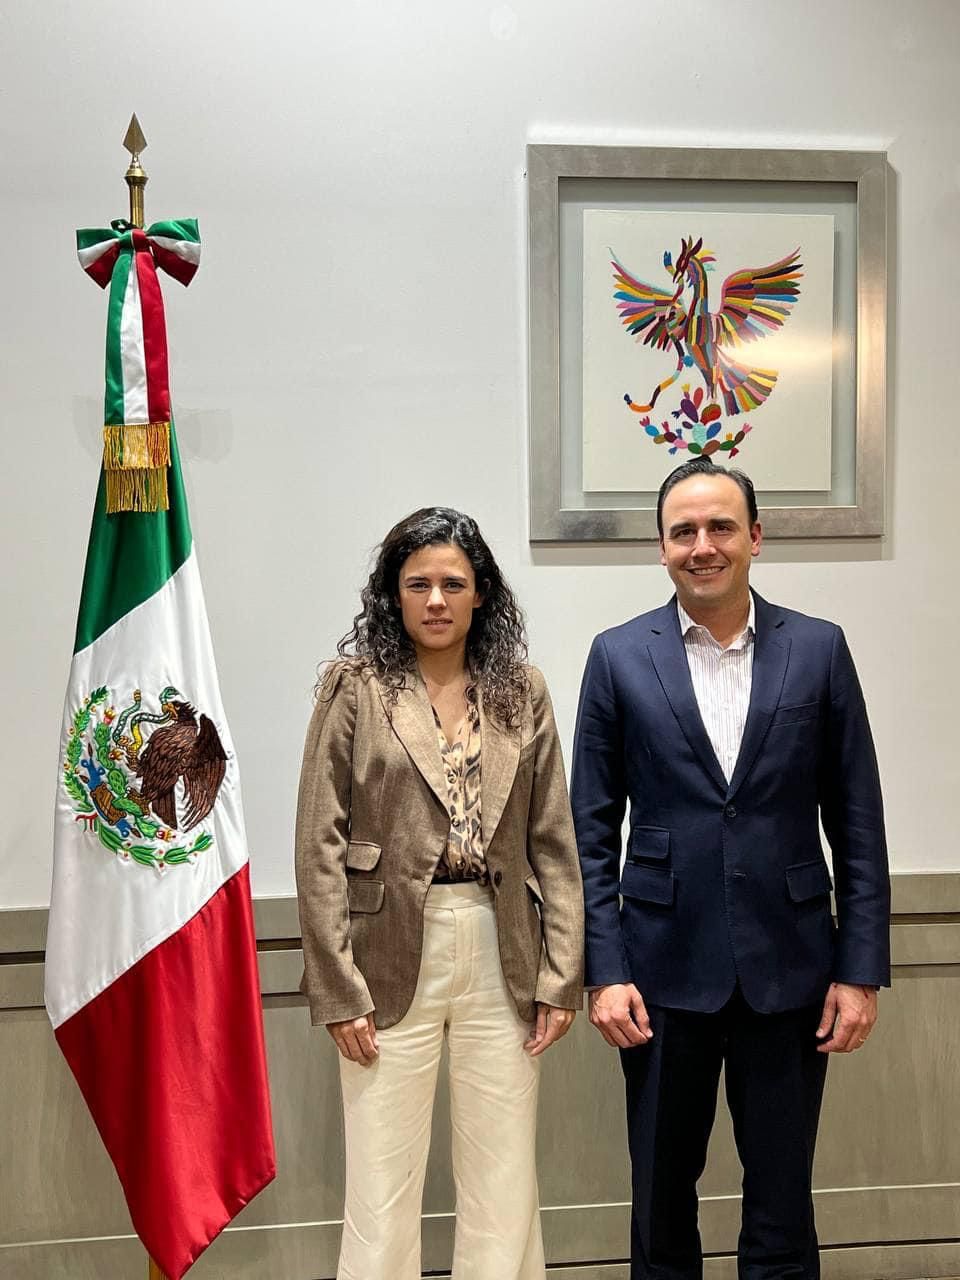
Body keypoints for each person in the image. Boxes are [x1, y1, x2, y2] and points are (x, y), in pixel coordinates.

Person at [571, 458, 890, 1280]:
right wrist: (604, 971)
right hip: (657, 975)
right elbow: (589, 832)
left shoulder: (819, 650)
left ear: (756, 536)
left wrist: (859, 971)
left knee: (782, 1204)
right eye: (683, 531)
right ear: (661, 547)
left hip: (791, 970)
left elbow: (857, 821)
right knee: (660, 1202)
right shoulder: (616, 656)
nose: (702, 545)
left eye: (720, 527)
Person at [295, 506, 584, 1280]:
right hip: (384, 953)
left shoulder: (520, 691)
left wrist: (562, 974)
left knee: (504, 1182)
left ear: (481, 593)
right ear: (393, 593)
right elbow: (319, 844)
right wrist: (337, 988)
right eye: (417, 583)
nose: (435, 599)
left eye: (453, 583)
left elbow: (553, 840)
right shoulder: (355, 689)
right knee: (381, 1186)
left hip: (502, 944)